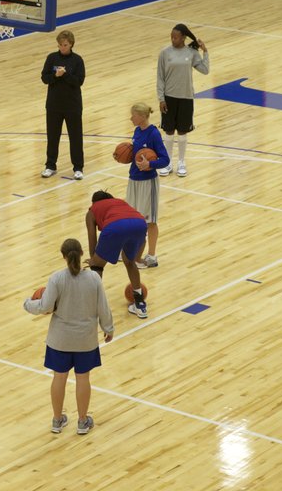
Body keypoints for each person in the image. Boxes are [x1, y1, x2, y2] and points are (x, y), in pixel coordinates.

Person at [24, 238, 113, 435]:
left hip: (60, 339)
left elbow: (45, 306)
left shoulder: (56, 279)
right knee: (83, 379)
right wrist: (108, 327)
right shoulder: (94, 279)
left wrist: (27, 304)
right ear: (82, 254)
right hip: (85, 340)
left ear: (63, 256)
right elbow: (103, 307)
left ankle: (57, 420)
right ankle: (82, 421)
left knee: (59, 378)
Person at [85, 190, 150, 318]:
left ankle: (92, 306)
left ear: (94, 202)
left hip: (115, 226)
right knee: (130, 263)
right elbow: (133, 225)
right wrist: (137, 257)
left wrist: (94, 258)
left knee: (97, 266)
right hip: (140, 224)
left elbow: (92, 237)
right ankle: (140, 305)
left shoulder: (92, 210)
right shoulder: (121, 202)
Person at [156, 23, 209, 177]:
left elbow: (205, 70)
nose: (173, 39)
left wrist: (205, 51)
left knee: (183, 131)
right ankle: (167, 163)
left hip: (186, 97)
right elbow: (160, 77)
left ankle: (181, 162)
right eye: (171, 37)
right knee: (169, 130)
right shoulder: (165, 53)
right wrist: (161, 98)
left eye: (176, 37)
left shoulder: (191, 53)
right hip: (169, 97)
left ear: (184, 37)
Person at [121, 103, 169, 269]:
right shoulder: (137, 131)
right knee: (132, 218)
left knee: (149, 221)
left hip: (148, 182)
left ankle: (152, 256)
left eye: (133, 115)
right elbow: (135, 153)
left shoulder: (154, 134)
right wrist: (124, 156)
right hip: (133, 179)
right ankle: (130, 253)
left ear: (142, 116)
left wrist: (151, 163)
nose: (131, 118)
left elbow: (165, 159)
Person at [40, 30, 86, 180]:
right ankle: (50, 166)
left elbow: (79, 81)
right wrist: (55, 76)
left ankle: (78, 168)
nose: (62, 47)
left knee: (75, 137)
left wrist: (65, 75)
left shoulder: (77, 60)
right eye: (60, 45)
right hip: (54, 105)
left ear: (71, 44)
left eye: (65, 45)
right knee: (52, 137)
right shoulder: (52, 58)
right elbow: (45, 78)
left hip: (72, 106)